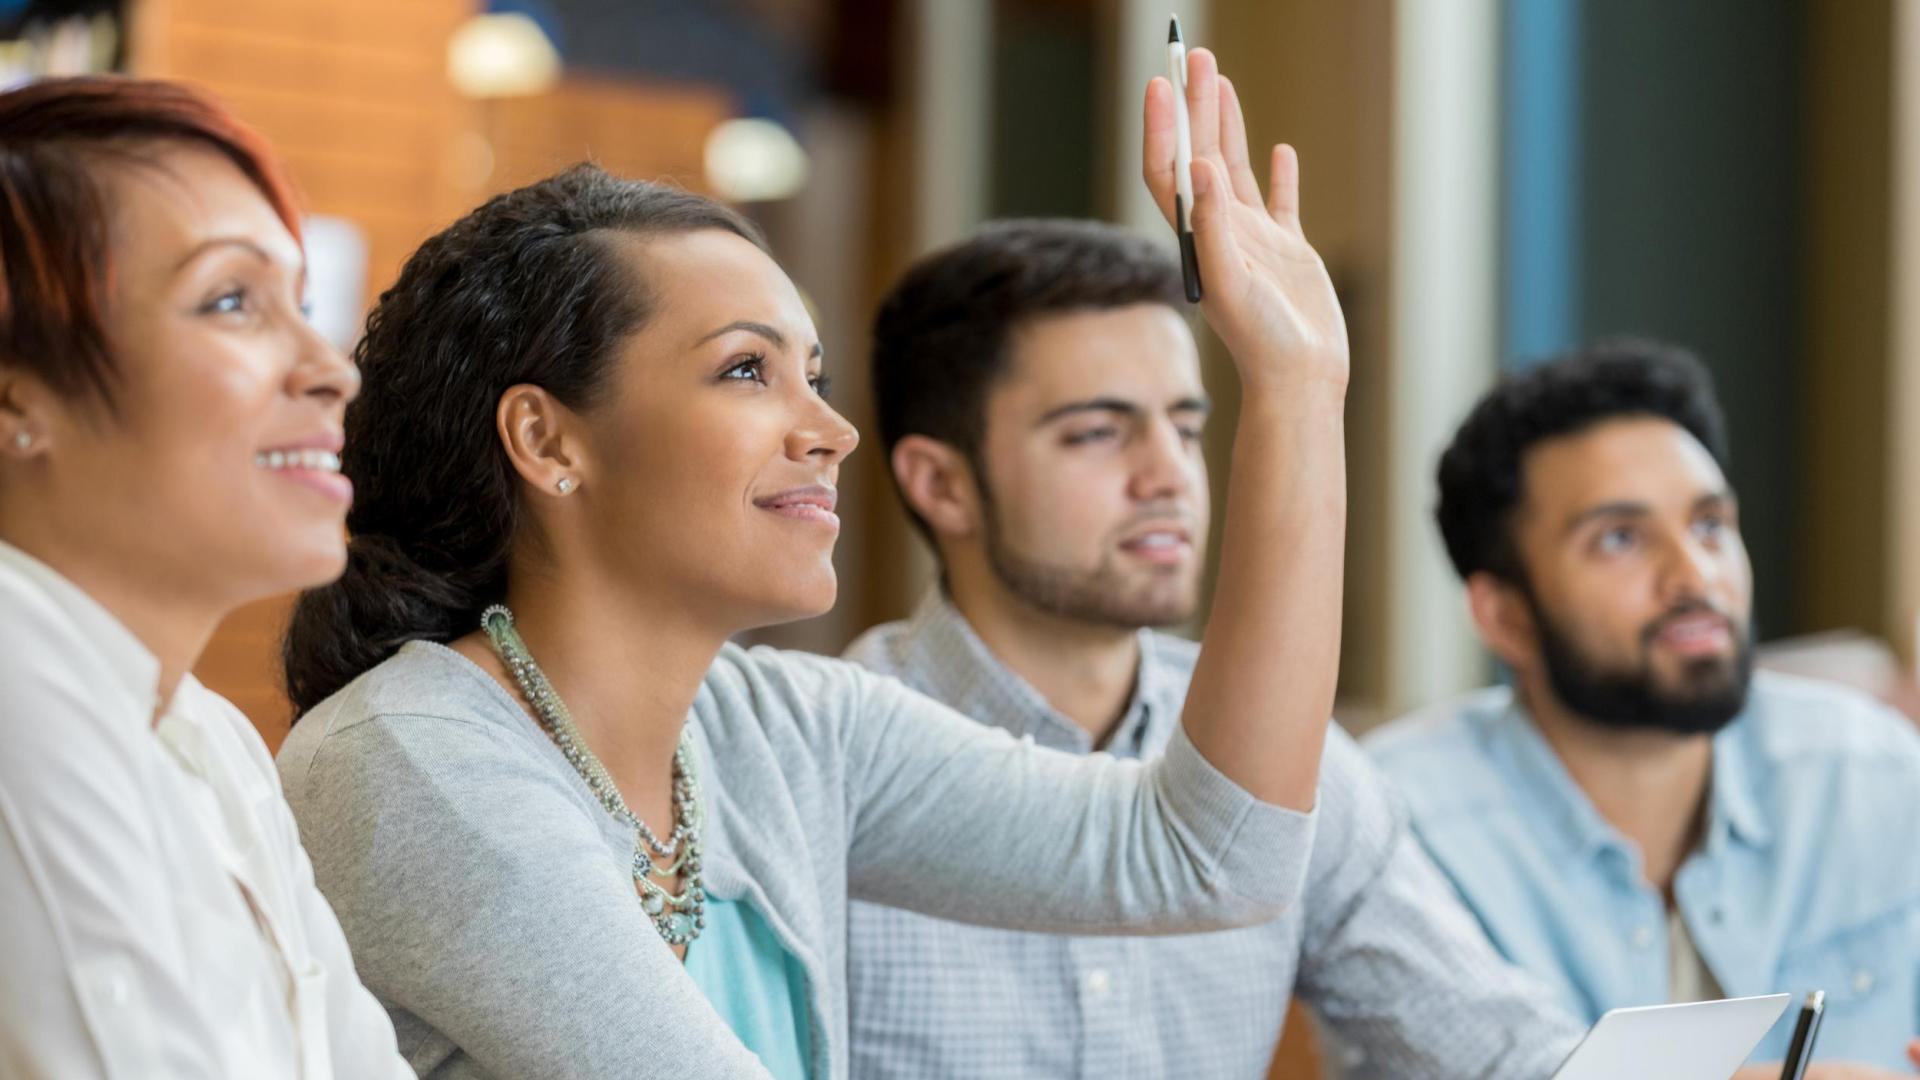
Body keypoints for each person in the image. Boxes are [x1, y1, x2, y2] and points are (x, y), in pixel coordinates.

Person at [273, 49, 1348, 1079]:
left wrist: (1300, 389)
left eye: (815, 374)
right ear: (549, 442)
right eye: (748, 369)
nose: (831, 428)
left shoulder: (782, 731)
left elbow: (1212, 857)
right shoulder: (410, 760)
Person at [840, 212, 1585, 1079]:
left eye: (1186, 428)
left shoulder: (1298, 766)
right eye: (1097, 432)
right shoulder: (833, 764)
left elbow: (1503, 1054)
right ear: (942, 485)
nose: (1168, 475)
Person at [0, 76, 409, 1077]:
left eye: (301, 305)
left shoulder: (212, 739)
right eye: (232, 300)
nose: (330, 366)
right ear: (16, 401)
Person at [1366, 343, 1920, 1077]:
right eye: (1620, 539)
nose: (1694, 574)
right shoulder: (1400, 829)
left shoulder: (1870, 772)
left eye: (1711, 525)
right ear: (1505, 617)